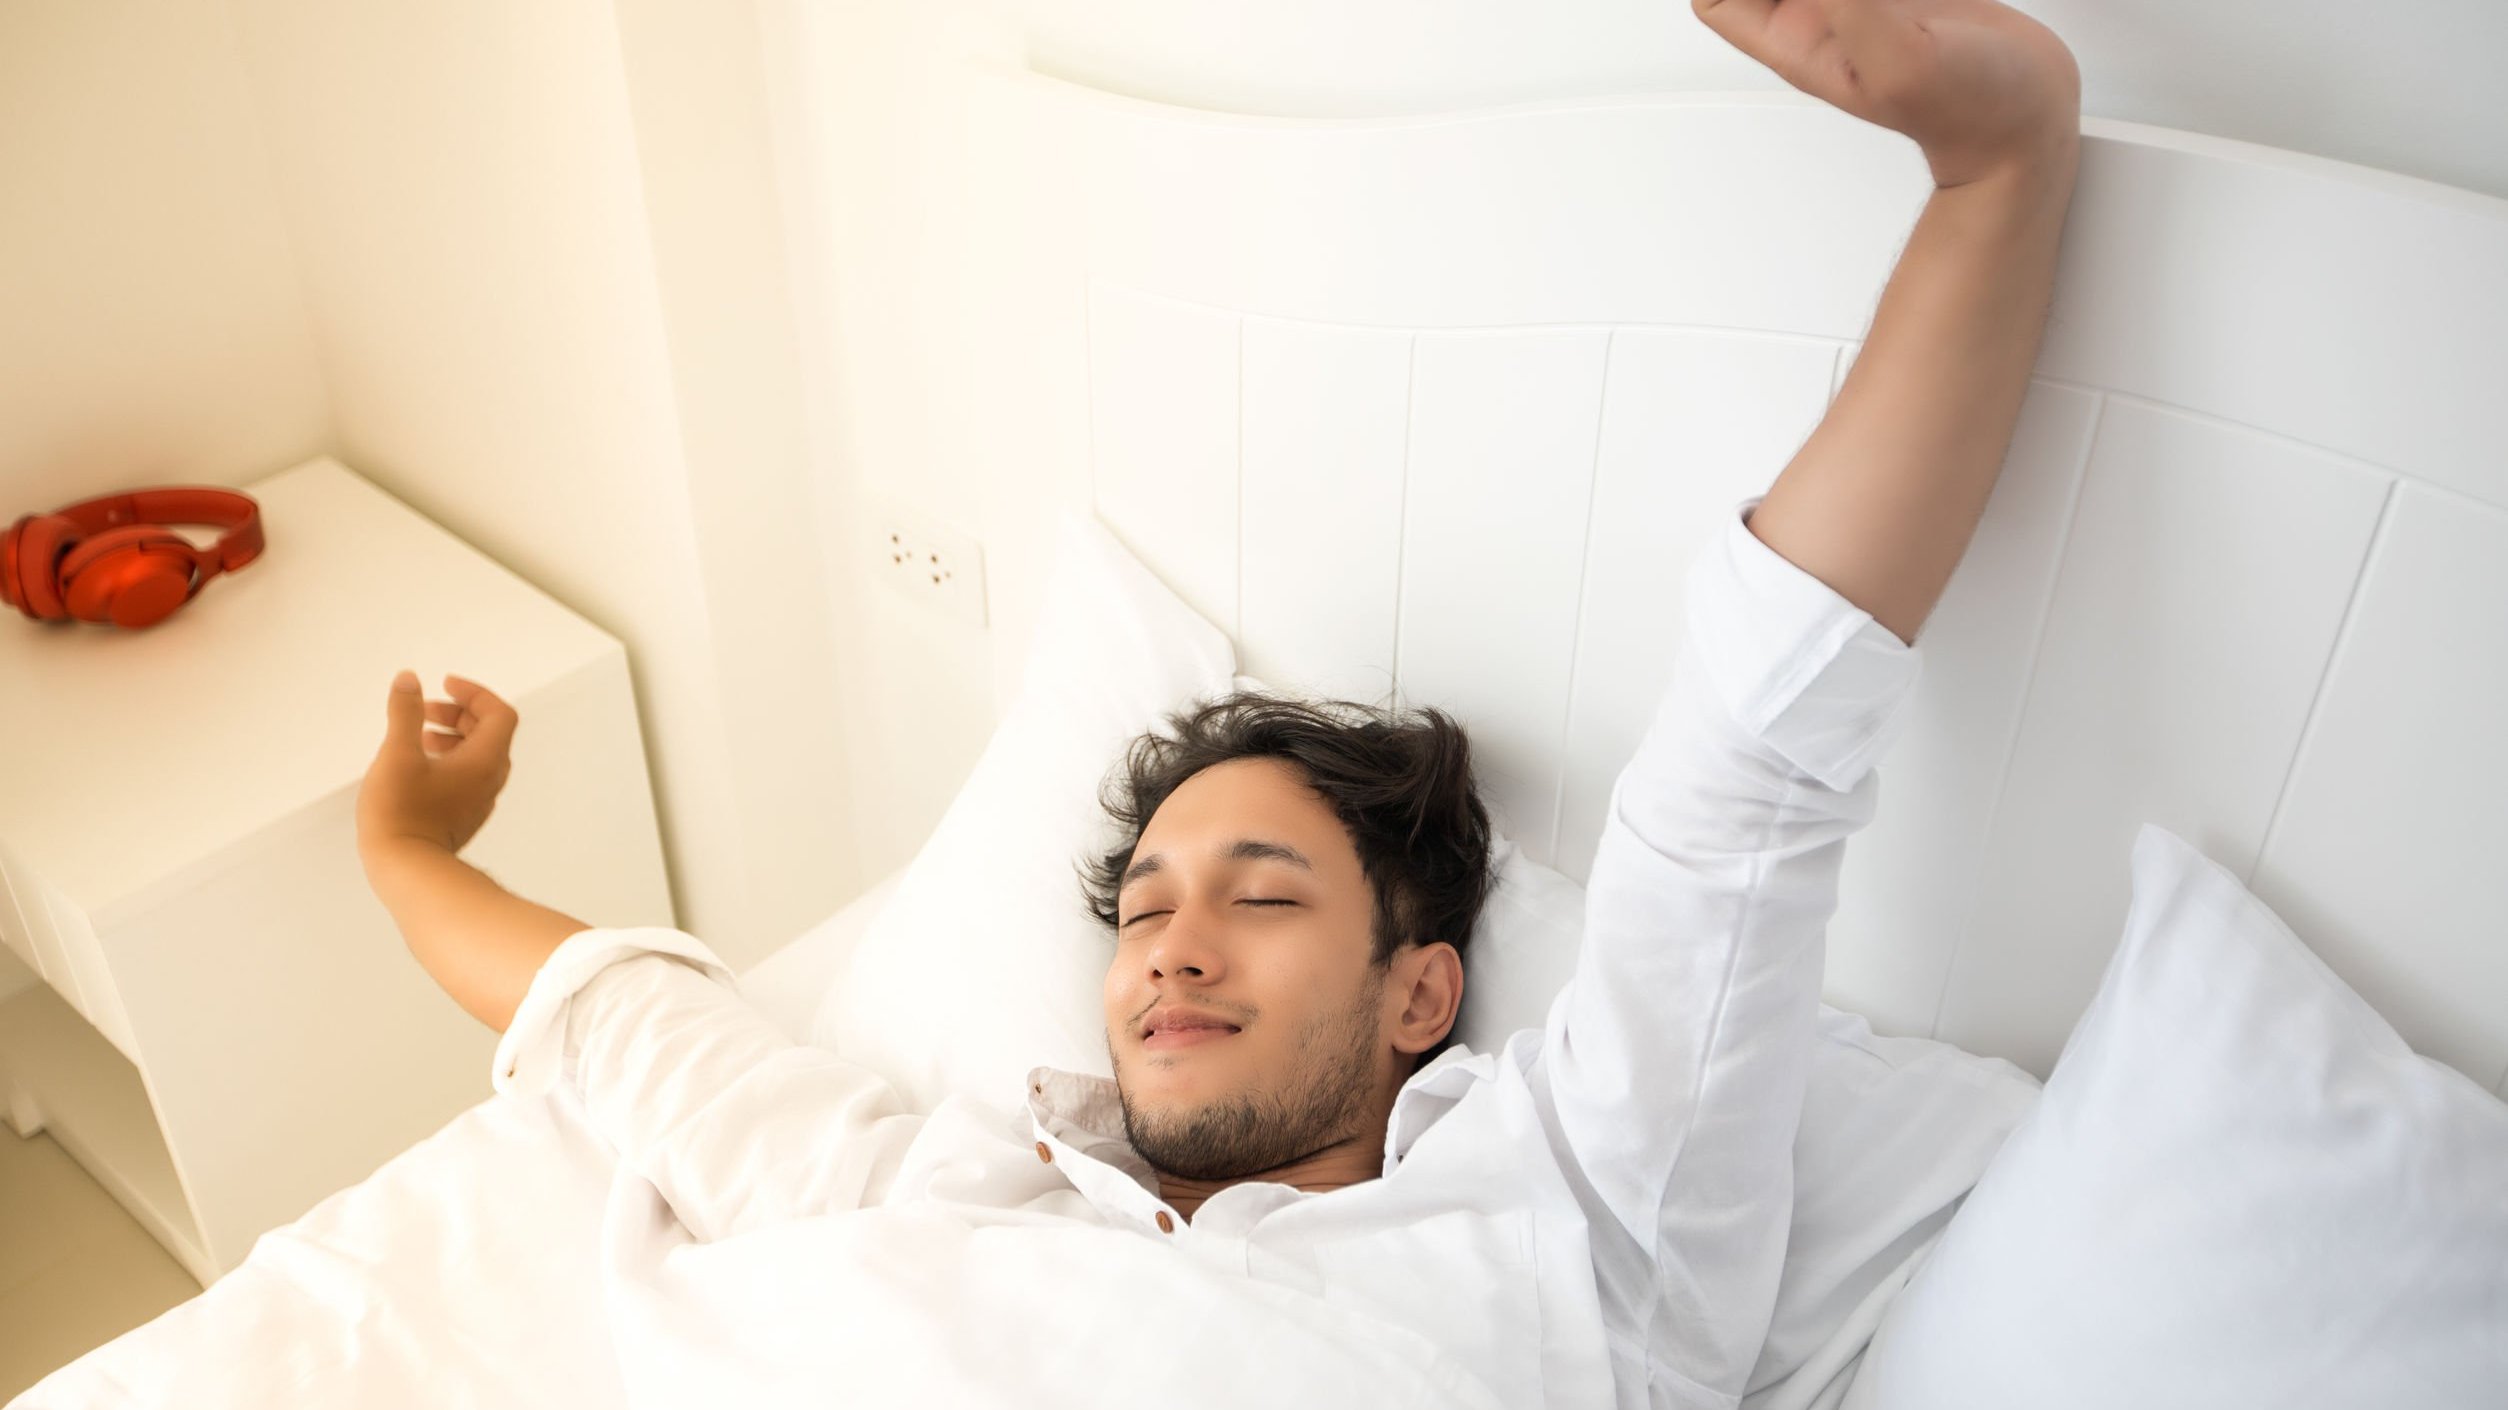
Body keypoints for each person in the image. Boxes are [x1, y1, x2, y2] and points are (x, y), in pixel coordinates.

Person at [354, 1, 2081, 1404]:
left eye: (1262, 897)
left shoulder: (1573, 1243)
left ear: (1426, 989)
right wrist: (402, 845)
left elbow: (1748, 769)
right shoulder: (953, 1185)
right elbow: (626, 1031)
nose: (1173, 948)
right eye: (1146, 908)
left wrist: (1998, 171)